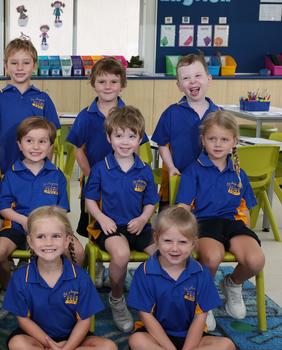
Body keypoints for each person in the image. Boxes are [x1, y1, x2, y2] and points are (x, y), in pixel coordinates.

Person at [176, 110, 265, 331]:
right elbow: (183, 209)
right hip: (203, 224)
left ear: (234, 141)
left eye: (224, 139)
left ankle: (232, 284)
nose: (217, 144)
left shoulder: (238, 173)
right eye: (212, 139)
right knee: (212, 258)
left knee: (256, 260)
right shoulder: (193, 171)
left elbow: (247, 207)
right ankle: (204, 302)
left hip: (233, 225)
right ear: (203, 140)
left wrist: (244, 230)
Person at [3, 206, 118, 350]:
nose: (48, 242)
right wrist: (50, 344)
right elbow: (23, 319)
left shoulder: (81, 277)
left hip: (73, 340)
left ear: (67, 240)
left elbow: (84, 320)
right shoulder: (21, 278)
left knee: (109, 348)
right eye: (41, 236)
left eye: (56, 236)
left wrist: (65, 349)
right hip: (38, 340)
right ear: (30, 241)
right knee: (17, 344)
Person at [128, 206, 236, 350]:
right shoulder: (144, 272)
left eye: (183, 242)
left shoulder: (201, 273)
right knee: (137, 341)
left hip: (191, 338)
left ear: (193, 243)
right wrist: (170, 349)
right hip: (155, 337)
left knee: (228, 346)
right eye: (167, 241)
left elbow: (200, 318)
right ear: (156, 239)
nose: (174, 248)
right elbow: (146, 316)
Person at [84, 106, 158, 332]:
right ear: (109, 138)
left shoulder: (144, 169)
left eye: (131, 136)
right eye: (119, 136)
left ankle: (157, 298)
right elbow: (90, 200)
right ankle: (116, 298)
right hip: (109, 226)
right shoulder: (100, 168)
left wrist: (144, 218)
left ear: (140, 139)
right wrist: (102, 218)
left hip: (138, 225)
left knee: (165, 254)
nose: (125, 142)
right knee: (122, 254)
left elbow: (150, 202)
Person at [0, 116, 84, 296]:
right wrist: (24, 220)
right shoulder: (11, 174)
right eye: (29, 141)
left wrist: (45, 225)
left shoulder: (56, 175)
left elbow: (62, 210)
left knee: (79, 253)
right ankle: (11, 290)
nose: (35, 147)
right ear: (19, 144)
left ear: (50, 146)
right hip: (18, 225)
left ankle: (64, 289)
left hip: (51, 228)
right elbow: (3, 209)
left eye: (42, 141)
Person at [67, 57, 148, 237]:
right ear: (93, 83)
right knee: (94, 225)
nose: (108, 86)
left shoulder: (130, 115)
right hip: (96, 180)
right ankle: (96, 260)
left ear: (122, 85)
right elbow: (78, 150)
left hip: (125, 179)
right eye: (102, 81)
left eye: (113, 82)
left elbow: (137, 147)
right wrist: (90, 175)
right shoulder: (85, 116)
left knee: (124, 221)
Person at [152, 53, 220, 203]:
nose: (192, 81)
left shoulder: (219, 114)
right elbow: (161, 144)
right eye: (186, 78)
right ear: (179, 86)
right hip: (181, 179)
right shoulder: (171, 113)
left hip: (211, 181)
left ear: (209, 79)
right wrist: (170, 167)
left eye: (197, 75)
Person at [0, 38, 60, 182]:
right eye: (14, 63)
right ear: (5, 66)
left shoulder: (44, 99)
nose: (20, 68)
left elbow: (50, 139)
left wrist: (46, 169)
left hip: (37, 172)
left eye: (26, 62)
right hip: (4, 172)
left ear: (34, 66)